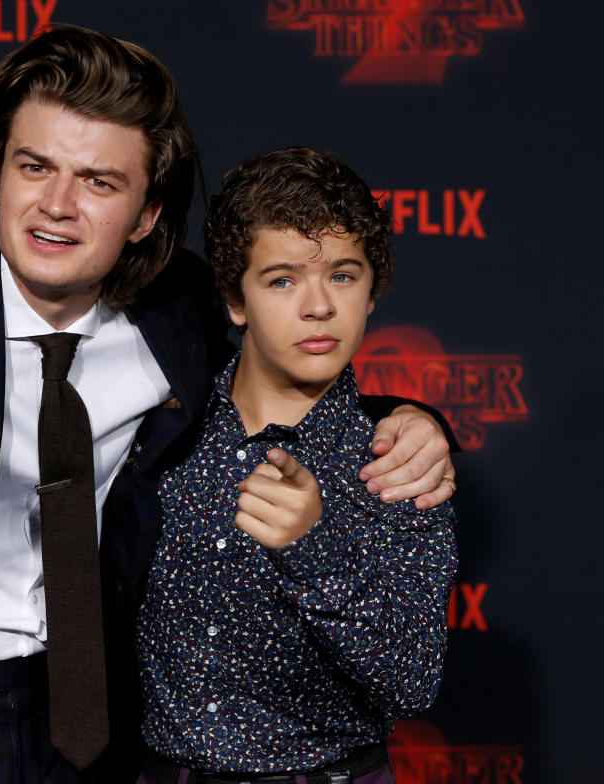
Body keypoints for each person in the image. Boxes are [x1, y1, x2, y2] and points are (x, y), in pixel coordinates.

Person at [0, 27, 456, 784]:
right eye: (35, 167)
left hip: (90, 728)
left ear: (147, 214)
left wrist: (417, 421)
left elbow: (288, 364)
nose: (56, 206)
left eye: (98, 182)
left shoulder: (178, 309)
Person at [136, 147, 458, 784]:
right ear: (235, 298)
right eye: (282, 280)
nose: (318, 307)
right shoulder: (163, 425)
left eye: (343, 275)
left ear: (371, 293)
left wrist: (314, 546)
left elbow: (413, 680)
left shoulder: (397, 460)